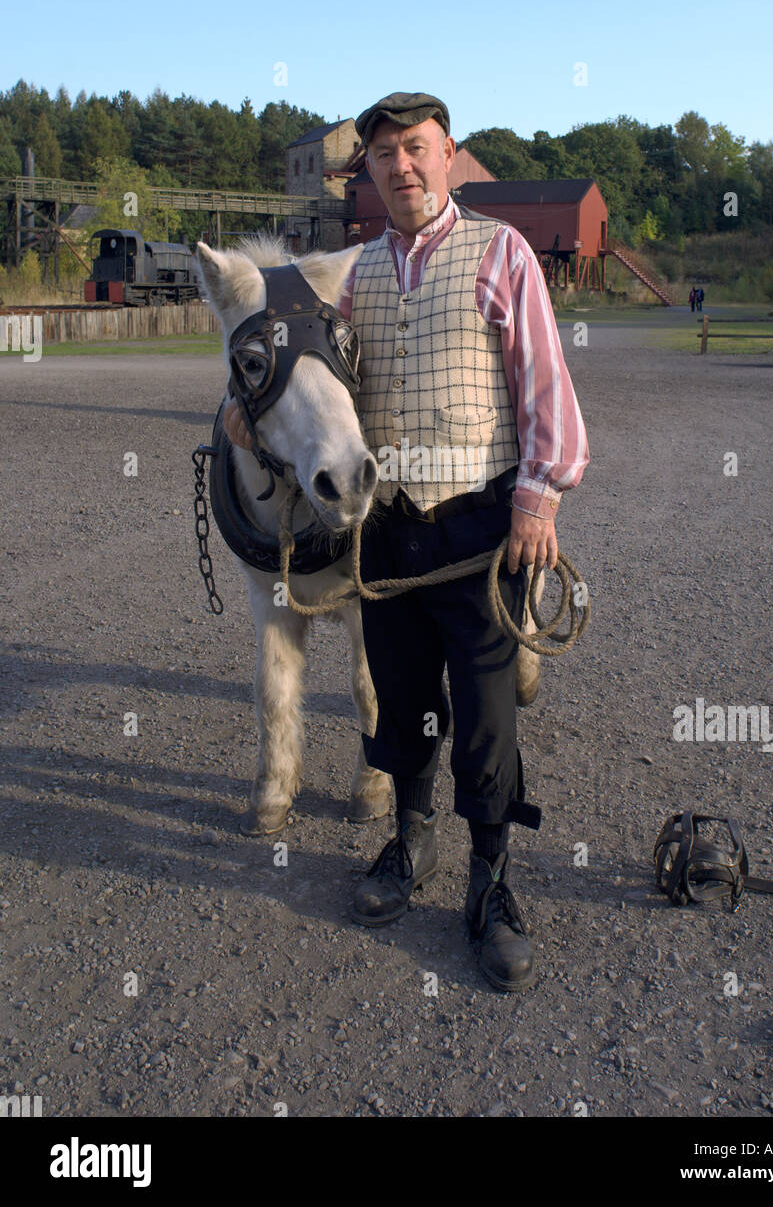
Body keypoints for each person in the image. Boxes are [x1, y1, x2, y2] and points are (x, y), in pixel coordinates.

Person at [223, 91, 589, 991]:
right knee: (399, 699)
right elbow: (281, 349)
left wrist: (538, 502)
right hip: (386, 531)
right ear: (372, 175)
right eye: (383, 157)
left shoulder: (501, 252)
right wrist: (240, 411)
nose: (401, 168)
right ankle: (409, 844)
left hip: (476, 523)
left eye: (415, 149)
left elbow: (546, 387)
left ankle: (492, 881)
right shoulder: (347, 276)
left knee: (487, 712)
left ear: (447, 154)